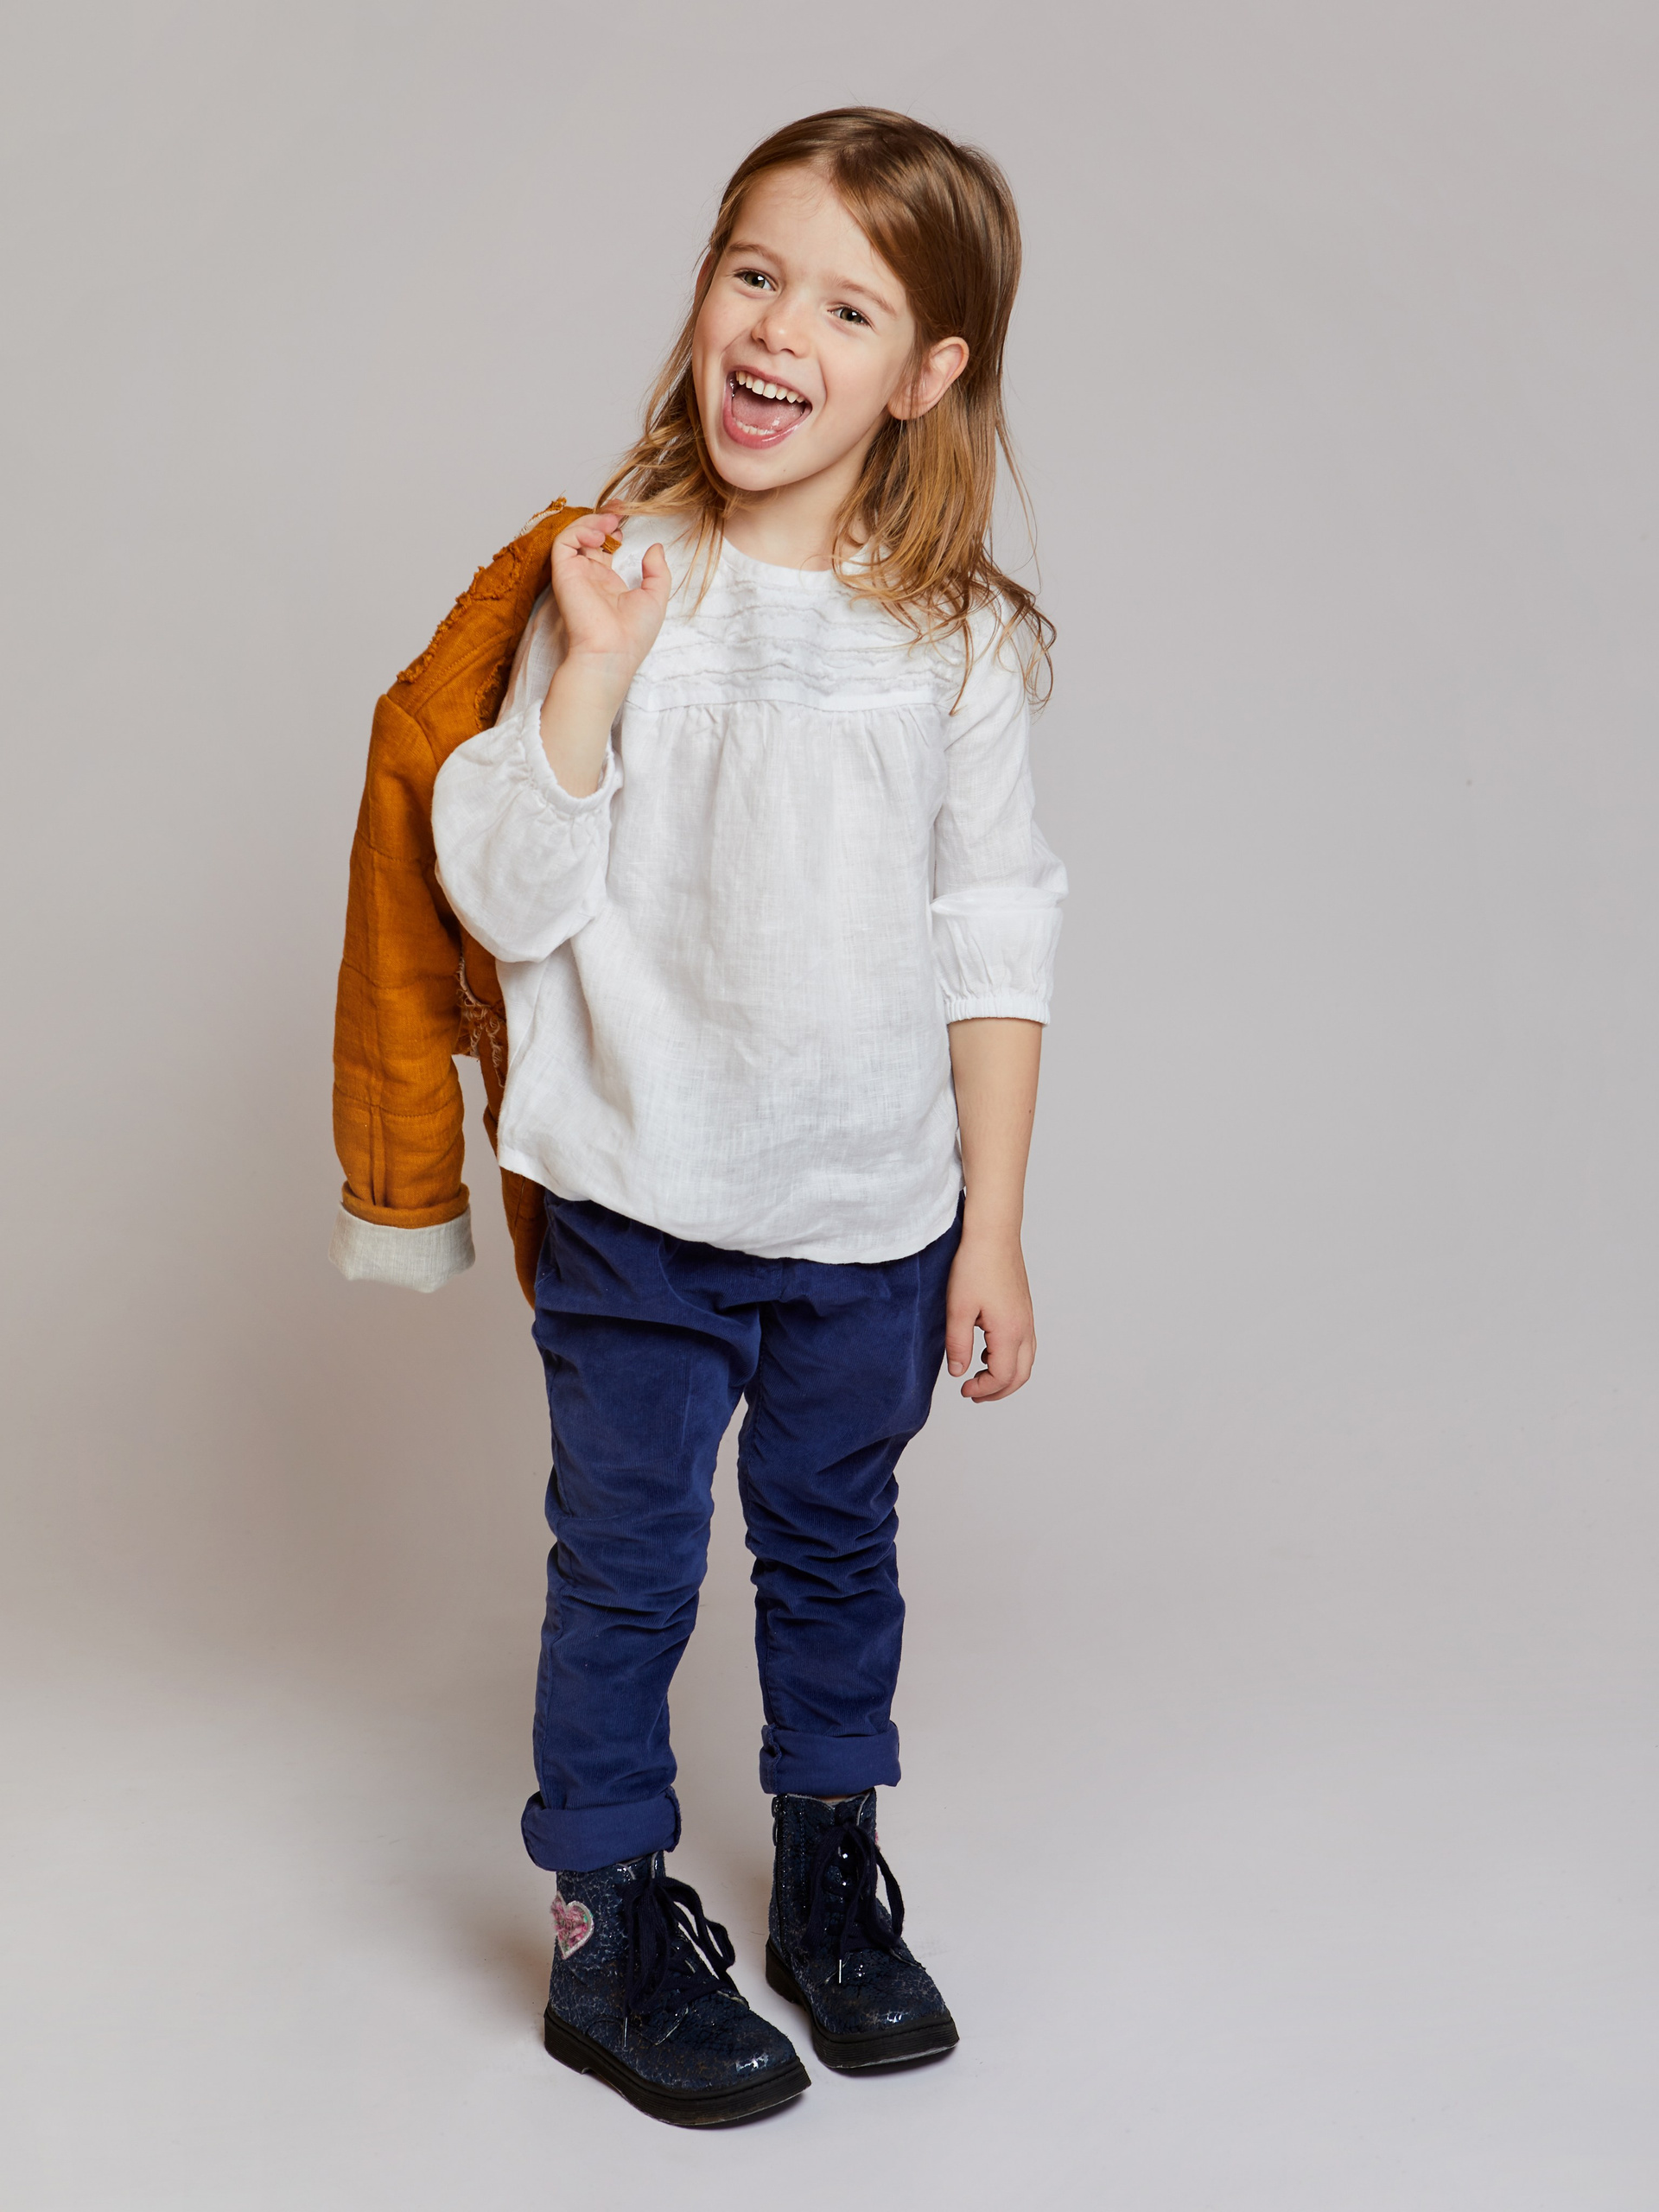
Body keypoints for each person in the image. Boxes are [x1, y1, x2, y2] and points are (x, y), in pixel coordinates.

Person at [334, 107, 1065, 2127]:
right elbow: (504, 891)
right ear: (701, 294)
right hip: (639, 1195)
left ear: (925, 375)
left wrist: (994, 1223)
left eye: (846, 306)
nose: (776, 330)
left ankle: (829, 1876)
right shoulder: (615, 577)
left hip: (871, 1217)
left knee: (836, 1550)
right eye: (753, 272)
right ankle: (605, 1927)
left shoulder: (961, 641)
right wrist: (592, 671)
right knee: (628, 1567)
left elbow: (994, 936)